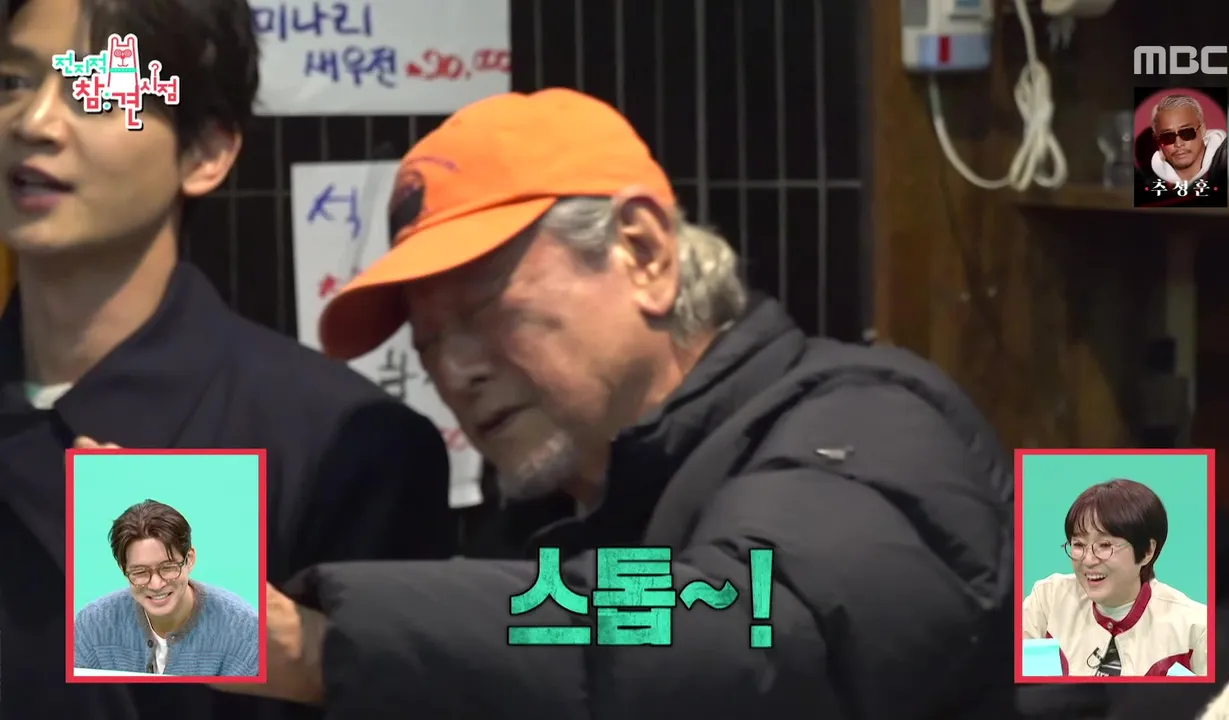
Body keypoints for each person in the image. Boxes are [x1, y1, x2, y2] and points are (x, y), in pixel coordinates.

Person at [216, 87, 1016, 718]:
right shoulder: (542, 521)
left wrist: (324, 641)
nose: (454, 370)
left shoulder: (863, 419)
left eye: (484, 309)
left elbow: (755, 626)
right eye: (426, 342)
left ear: (643, 252)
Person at [0, 0, 453, 717]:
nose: (34, 122)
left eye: (97, 90)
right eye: (12, 83)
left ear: (205, 152)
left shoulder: (342, 444)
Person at [1022, 479, 1208, 677]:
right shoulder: (1048, 600)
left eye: (1105, 545)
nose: (1088, 560)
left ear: (1147, 551)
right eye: (1078, 544)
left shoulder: (1196, 629)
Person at [75, 501, 258, 677]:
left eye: (168, 568)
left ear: (189, 560)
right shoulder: (93, 626)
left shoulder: (242, 630)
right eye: (140, 572)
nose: (156, 585)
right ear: (123, 569)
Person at [1139, 94, 1227, 205]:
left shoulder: (1227, 168)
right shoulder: (1149, 190)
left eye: (1187, 133)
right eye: (1167, 137)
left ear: (1202, 130)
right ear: (1157, 140)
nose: (1178, 144)